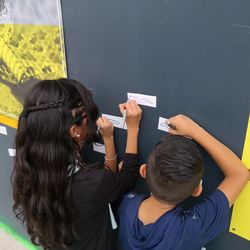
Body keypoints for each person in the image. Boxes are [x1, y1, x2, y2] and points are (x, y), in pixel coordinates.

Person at [11, 78, 142, 250]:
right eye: (87, 118)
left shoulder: (30, 165)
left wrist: (108, 139)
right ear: (74, 131)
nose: (90, 122)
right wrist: (133, 128)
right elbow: (127, 177)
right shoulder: (90, 184)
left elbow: (102, 186)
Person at [118, 114, 249, 250]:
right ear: (197, 190)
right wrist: (194, 131)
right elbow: (240, 174)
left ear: (144, 171)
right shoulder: (190, 229)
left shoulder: (126, 204)